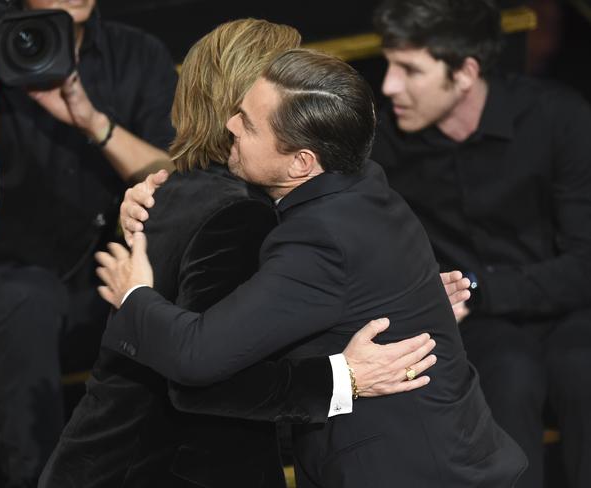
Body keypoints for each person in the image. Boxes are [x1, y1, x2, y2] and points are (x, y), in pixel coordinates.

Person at [39, 19, 445, 488]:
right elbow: (207, 380)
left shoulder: (185, 189)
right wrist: (343, 379)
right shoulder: (238, 214)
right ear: (243, 103)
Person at [96, 48, 527, 487]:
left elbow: (196, 357)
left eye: (247, 122)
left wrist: (134, 296)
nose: (230, 126)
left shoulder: (320, 240)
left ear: (301, 161)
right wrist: (157, 203)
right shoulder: (362, 183)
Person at [0, 0, 176, 485]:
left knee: (164, 290)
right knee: (25, 299)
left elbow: (181, 188)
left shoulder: (134, 54)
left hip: (89, 283)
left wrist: (92, 121)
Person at [370, 1, 591, 486]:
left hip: (570, 309)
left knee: (582, 368)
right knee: (508, 375)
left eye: (409, 69)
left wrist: (480, 287)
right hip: (477, 327)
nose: (389, 86)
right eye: (390, 65)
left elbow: (583, 266)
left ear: (465, 72)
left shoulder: (557, 118)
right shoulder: (385, 148)